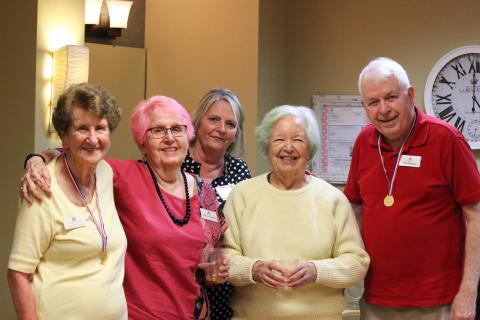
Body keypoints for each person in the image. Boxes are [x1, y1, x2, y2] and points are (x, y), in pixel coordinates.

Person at [20, 95, 229, 319]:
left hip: (193, 313)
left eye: (177, 129)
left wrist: (218, 267)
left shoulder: (204, 190)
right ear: (142, 143)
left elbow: (215, 249)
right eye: (157, 130)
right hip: (138, 314)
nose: (169, 138)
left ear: (188, 137)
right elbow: (74, 153)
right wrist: (36, 160)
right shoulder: (122, 176)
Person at [344, 57, 480, 320]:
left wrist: (468, 292)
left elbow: (476, 215)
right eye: (373, 102)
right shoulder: (363, 142)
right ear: (365, 107)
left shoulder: (446, 139)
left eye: (391, 97)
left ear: (410, 95)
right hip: (376, 298)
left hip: (439, 301)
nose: (383, 109)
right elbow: (354, 209)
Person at [223, 105, 370, 320]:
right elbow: (225, 257)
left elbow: (357, 263)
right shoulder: (243, 195)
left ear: (310, 148)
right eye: (279, 139)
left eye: (298, 140)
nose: (288, 148)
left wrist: (316, 271)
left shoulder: (333, 199)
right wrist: (252, 269)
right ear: (267, 146)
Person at [7, 83, 128, 319]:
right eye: (82, 128)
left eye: (100, 128)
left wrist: (37, 156)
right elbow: (18, 275)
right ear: (64, 134)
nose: (93, 139)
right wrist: (35, 160)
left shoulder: (105, 173)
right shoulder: (41, 187)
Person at [183, 88, 251, 320]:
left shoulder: (239, 170)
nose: (221, 129)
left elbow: (249, 220)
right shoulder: (176, 162)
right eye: (214, 119)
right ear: (198, 121)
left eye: (230, 124)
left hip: (224, 285)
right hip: (181, 280)